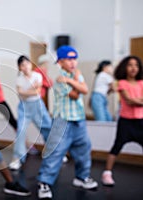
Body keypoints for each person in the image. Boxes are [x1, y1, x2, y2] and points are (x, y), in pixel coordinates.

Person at [37, 46, 98, 199]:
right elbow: (76, 95)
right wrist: (76, 79)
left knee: (84, 149)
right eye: (68, 59)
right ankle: (44, 183)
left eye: (74, 59)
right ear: (61, 61)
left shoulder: (71, 76)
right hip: (62, 120)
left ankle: (81, 177)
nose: (72, 63)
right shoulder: (58, 79)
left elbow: (85, 90)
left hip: (79, 119)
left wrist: (72, 79)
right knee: (56, 152)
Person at [101, 56, 143, 186]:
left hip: (141, 121)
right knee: (117, 146)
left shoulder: (141, 83)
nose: (133, 68)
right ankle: (107, 173)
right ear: (124, 67)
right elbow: (129, 100)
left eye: (136, 65)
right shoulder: (122, 83)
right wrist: (139, 101)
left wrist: (138, 101)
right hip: (126, 122)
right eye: (130, 65)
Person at [8, 55, 52, 170]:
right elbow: (21, 93)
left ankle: (55, 153)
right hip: (24, 107)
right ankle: (17, 158)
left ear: (31, 64)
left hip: (38, 105)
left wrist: (26, 91)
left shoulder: (37, 75)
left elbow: (37, 92)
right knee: (21, 131)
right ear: (19, 67)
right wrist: (31, 89)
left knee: (47, 128)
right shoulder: (19, 79)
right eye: (22, 65)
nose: (25, 66)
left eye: (27, 63)